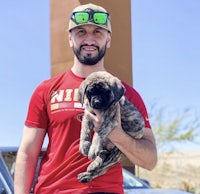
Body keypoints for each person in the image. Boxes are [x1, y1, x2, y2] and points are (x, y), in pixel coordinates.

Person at [14, 3, 157, 194]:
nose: (89, 39)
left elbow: (149, 160)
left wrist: (115, 133)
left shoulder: (125, 93)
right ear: (70, 39)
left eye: (98, 32)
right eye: (81, 32)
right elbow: (27, 153)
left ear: (108, 40)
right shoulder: (46, 90)